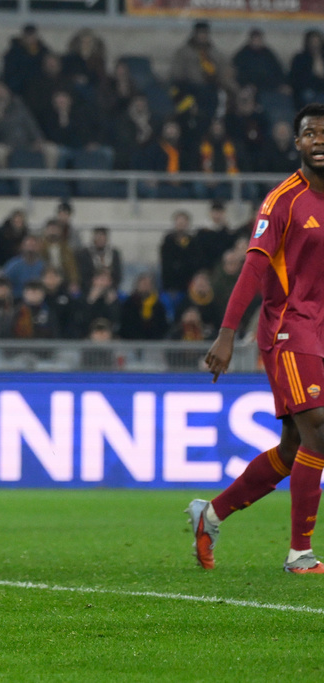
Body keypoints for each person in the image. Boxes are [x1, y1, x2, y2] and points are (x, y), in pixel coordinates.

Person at [194, 103, 324, 574]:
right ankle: (299, 554)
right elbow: (253, 268)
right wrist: (227, 335)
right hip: (288, 328)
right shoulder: (282, 200)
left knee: (294, 448)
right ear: (297, 143)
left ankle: (210, 515)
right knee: (320, 431)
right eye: (311, 133)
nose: (320, 141)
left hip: (321, 328)